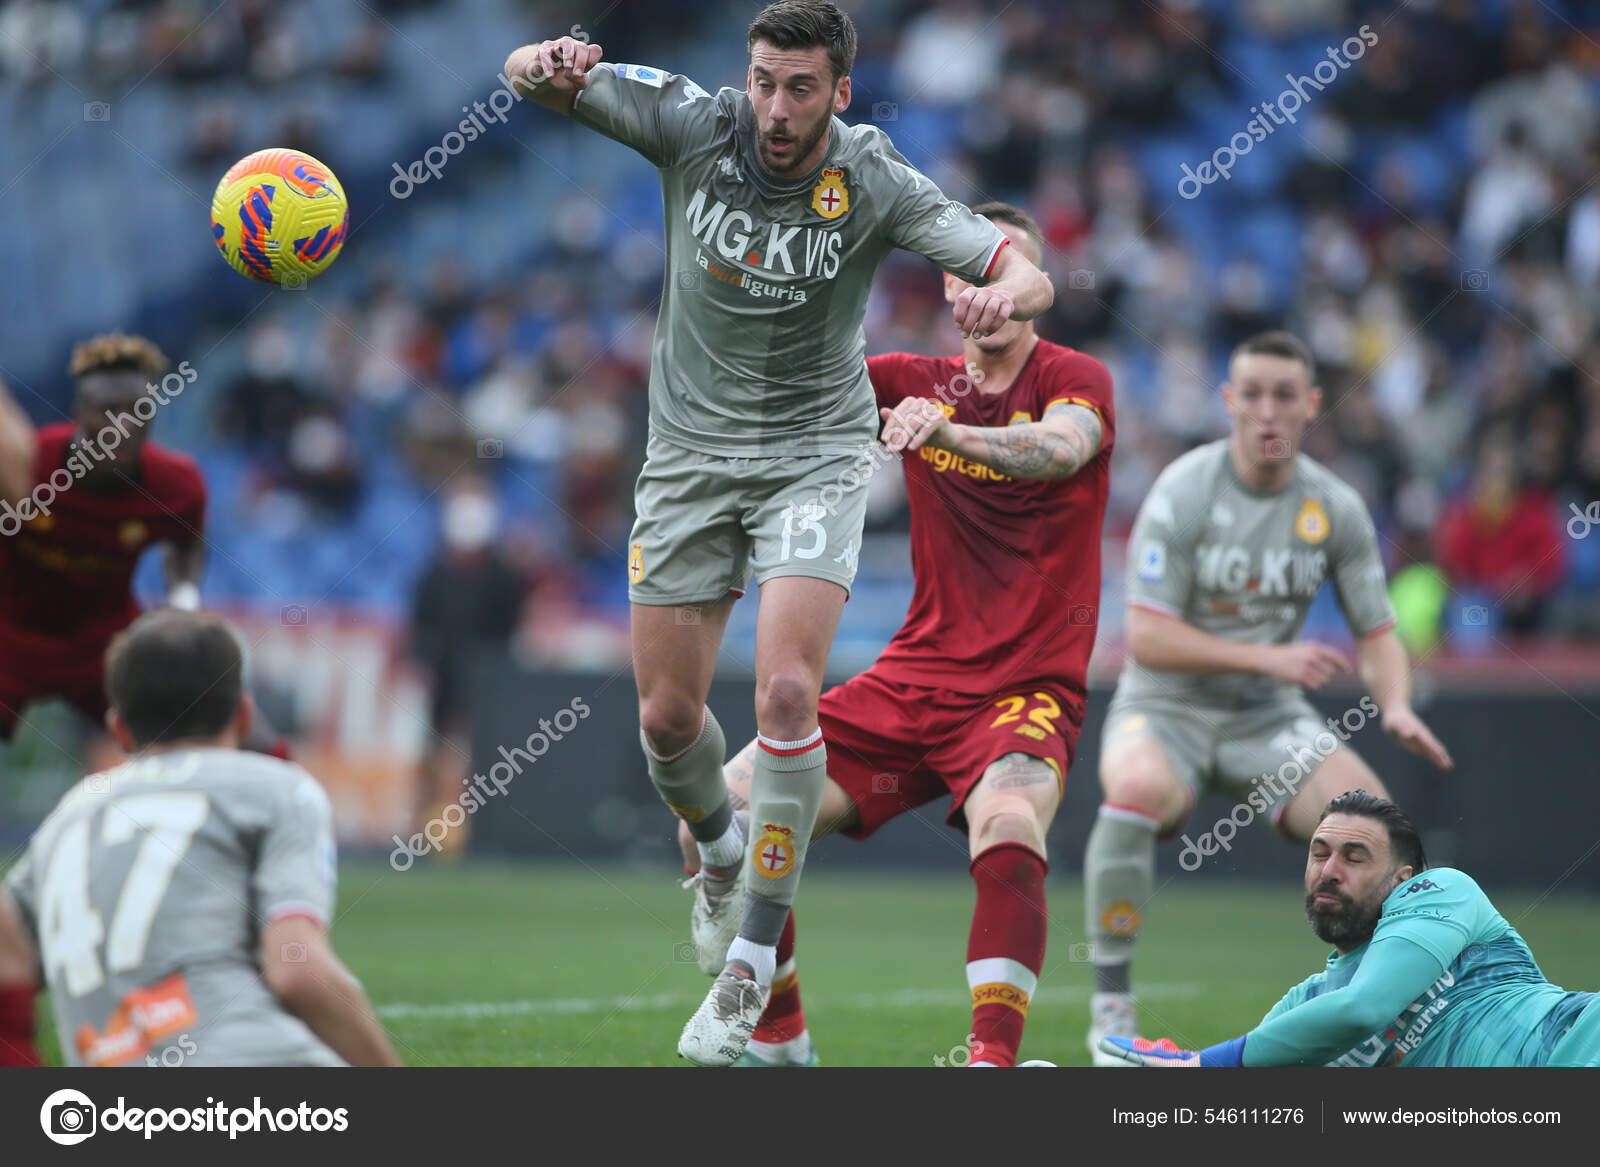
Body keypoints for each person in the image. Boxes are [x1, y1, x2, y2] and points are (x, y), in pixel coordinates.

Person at [503, 0, 1053, 1065]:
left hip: (816, 452)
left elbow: (1015, 269)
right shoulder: (692, 125)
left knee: (789, 693)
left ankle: (751, 967)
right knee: (667, 722)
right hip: (686, 463)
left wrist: (1007, 298)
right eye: (764, 80)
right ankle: (717, 852)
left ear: (839, 92)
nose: (777, 107)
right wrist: (550, 58)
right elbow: (523, 74)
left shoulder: (874, 177)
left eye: (801, 87)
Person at [676, 202, 1109, 1066]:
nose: (987, 287)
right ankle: (781, 1033)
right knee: (721, 809)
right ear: (949, 283)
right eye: (970, 270)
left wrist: (948, 429)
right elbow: (783, 385)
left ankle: (991, 1062)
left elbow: (1063, 449)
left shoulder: (1074, 378)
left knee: (1012, 822)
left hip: (1024, 685)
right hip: (912, 679)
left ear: (1033, 289)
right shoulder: (903, 374)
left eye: (1006, 270)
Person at [1084, 330, 1454, 1065]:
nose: (1267, 410)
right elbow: (1147, 639)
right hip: (1166, 708)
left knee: (1375, 826)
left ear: (1312, 404)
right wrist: (1267, 653)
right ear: (1228, 401)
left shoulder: (1334, 506)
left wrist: (1398, 701)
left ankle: (1372, 1016)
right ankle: (1110, 1007)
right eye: (1251, 393)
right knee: (1132, 791)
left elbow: (1378, 629)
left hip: (1269, 720)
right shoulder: (1184, 488)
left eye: (1285, 395)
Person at [0, 609, 400, 1067]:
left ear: (118, 730)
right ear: (245, 715)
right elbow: (298, 973)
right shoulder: (275, 787)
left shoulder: (69, 815)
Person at [1100, 790, 1600, 1067]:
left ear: (1402, 878)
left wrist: (1201, 1064)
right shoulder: (1308, 1004)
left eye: (1354, 857)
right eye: (1319, 853)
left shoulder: (1443, 891)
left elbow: (1364, 1010)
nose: (1328, 870)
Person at [0, 333, 206, 744]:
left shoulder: (177, 486)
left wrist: (183, 600)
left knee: (193, 728)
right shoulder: (29, 468)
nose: (123, 425)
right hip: (11, 640)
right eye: (109, 410)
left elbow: (187, 544)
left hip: (104, 646)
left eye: (138, 411)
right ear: (79, 411)